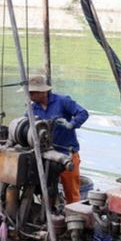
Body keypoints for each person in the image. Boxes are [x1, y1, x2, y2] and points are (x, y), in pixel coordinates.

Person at [20, 75, 89, 203]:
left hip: (67, 153)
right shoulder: (32, 108)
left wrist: (71, 124)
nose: (29, 96)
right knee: (48, 192)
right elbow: (24, 126)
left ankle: (75, 217)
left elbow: (83, 113)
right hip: (46, 156)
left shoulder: (63, 101)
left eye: (32, 93)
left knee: (72, 193)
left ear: (42, 92)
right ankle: (50, 217)